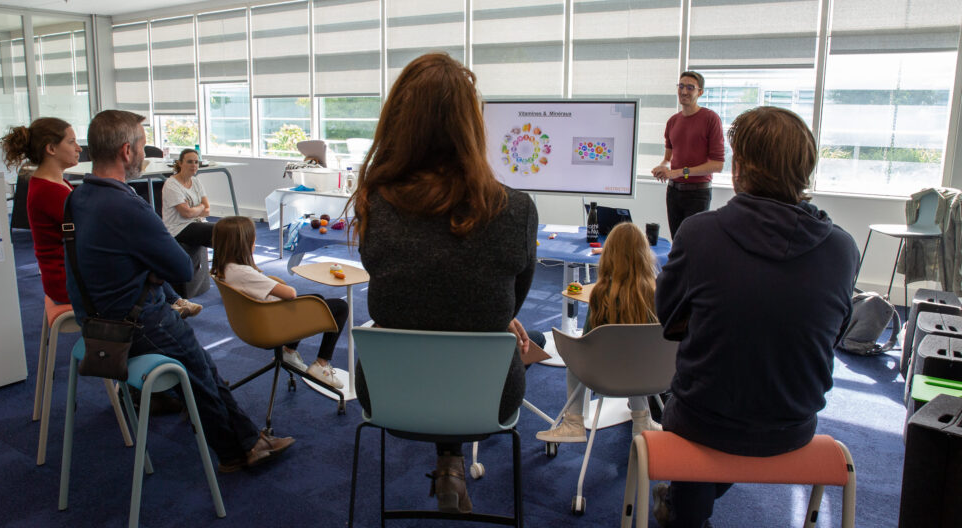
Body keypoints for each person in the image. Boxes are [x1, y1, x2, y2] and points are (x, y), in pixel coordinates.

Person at [349, 52, 538, 515]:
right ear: (471, 126)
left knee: (434, 323)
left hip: (391, 390)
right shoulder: (515, 210)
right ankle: (452, 459)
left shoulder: (374, 204)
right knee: (482, 331)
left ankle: (448, 460)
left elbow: (403, 285)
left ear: (398, 122)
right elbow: (512, 301)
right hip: (488, 396)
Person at [651, 107, 858, 527]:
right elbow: (831, 334)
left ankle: (684, 513)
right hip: (794, 421)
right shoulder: (842, 249)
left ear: (740, 167)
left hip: (702, 419)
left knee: (694, 410)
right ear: (806, 169)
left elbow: (667, 318)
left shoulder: (699, 233)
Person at [64, 109, 293, 473]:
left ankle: (245, 439)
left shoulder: (78, 197)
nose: (145, 153)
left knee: (200, 366)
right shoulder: (128, 206)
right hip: (137, 323)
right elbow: (182, 268)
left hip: (95, 318)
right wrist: (150, 273)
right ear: (127, 151)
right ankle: (241, 449)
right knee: (202, 369)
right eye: (142, 145)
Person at [0, 118, 202, 318]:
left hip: (72, 270)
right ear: (51, 149)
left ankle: (172, 301)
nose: (79, 148)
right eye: (71, 142)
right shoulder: (49, 191)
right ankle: (167, 306)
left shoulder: (54, 184)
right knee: (137, 258)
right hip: (70, 279)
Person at [536, 222, 661, 443]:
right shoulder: (657, 293)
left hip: (603, 376)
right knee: (639, 353)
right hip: (651, 376)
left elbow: (587, 342)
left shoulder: (601, 294)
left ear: (610, 255)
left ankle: (574, 422)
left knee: (576, 352)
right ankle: (641, 421)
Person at [210, 215, 348, 389]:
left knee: (317, 298)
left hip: (254, 320)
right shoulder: (244, 272)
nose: (254, 244)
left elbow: (259, 285)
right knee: (340, 307)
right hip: (272, 324)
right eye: (253, 241)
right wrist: (278, 286)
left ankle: (289, 352)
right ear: (243, 245)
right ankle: (321, 364)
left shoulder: (224, 269)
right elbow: (290, 293)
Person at [652, 71, 725, 239]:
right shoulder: (673, 121)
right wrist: (663, 166)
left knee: (692, 244)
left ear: (700, 92)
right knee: (676, 242)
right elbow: (668, 158)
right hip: (673, 192)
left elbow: (717, 165)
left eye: (690, 88)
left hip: (698, 193)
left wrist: (679, 172)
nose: (684, 91)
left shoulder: (710, 119)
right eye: (681, 86)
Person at [162, 148, 214, 248]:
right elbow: (187, 213)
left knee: (227, 236)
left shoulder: (196, 182)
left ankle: (226, 263)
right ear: (180, 163)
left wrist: (196, 209)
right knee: (221, 231)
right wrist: (201, 207)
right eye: (189, 162)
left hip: (196, 223)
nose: (194, 165)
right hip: (178, 229)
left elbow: (207, 210)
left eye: (196, 162)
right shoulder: (171, 184)